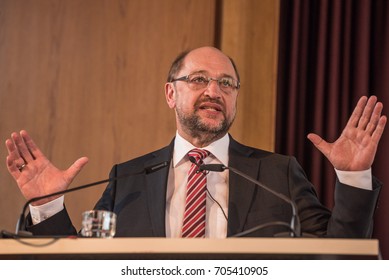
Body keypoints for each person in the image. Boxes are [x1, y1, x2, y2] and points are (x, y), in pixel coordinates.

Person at [5, 46, 387, 238]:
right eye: (199, 79)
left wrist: (353, 179)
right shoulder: (129, 178)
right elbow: (84, 267)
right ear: (171, 94)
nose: (214, 91)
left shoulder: (277, 173)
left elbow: (339, 256)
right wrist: (49, 206)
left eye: (226, 83)